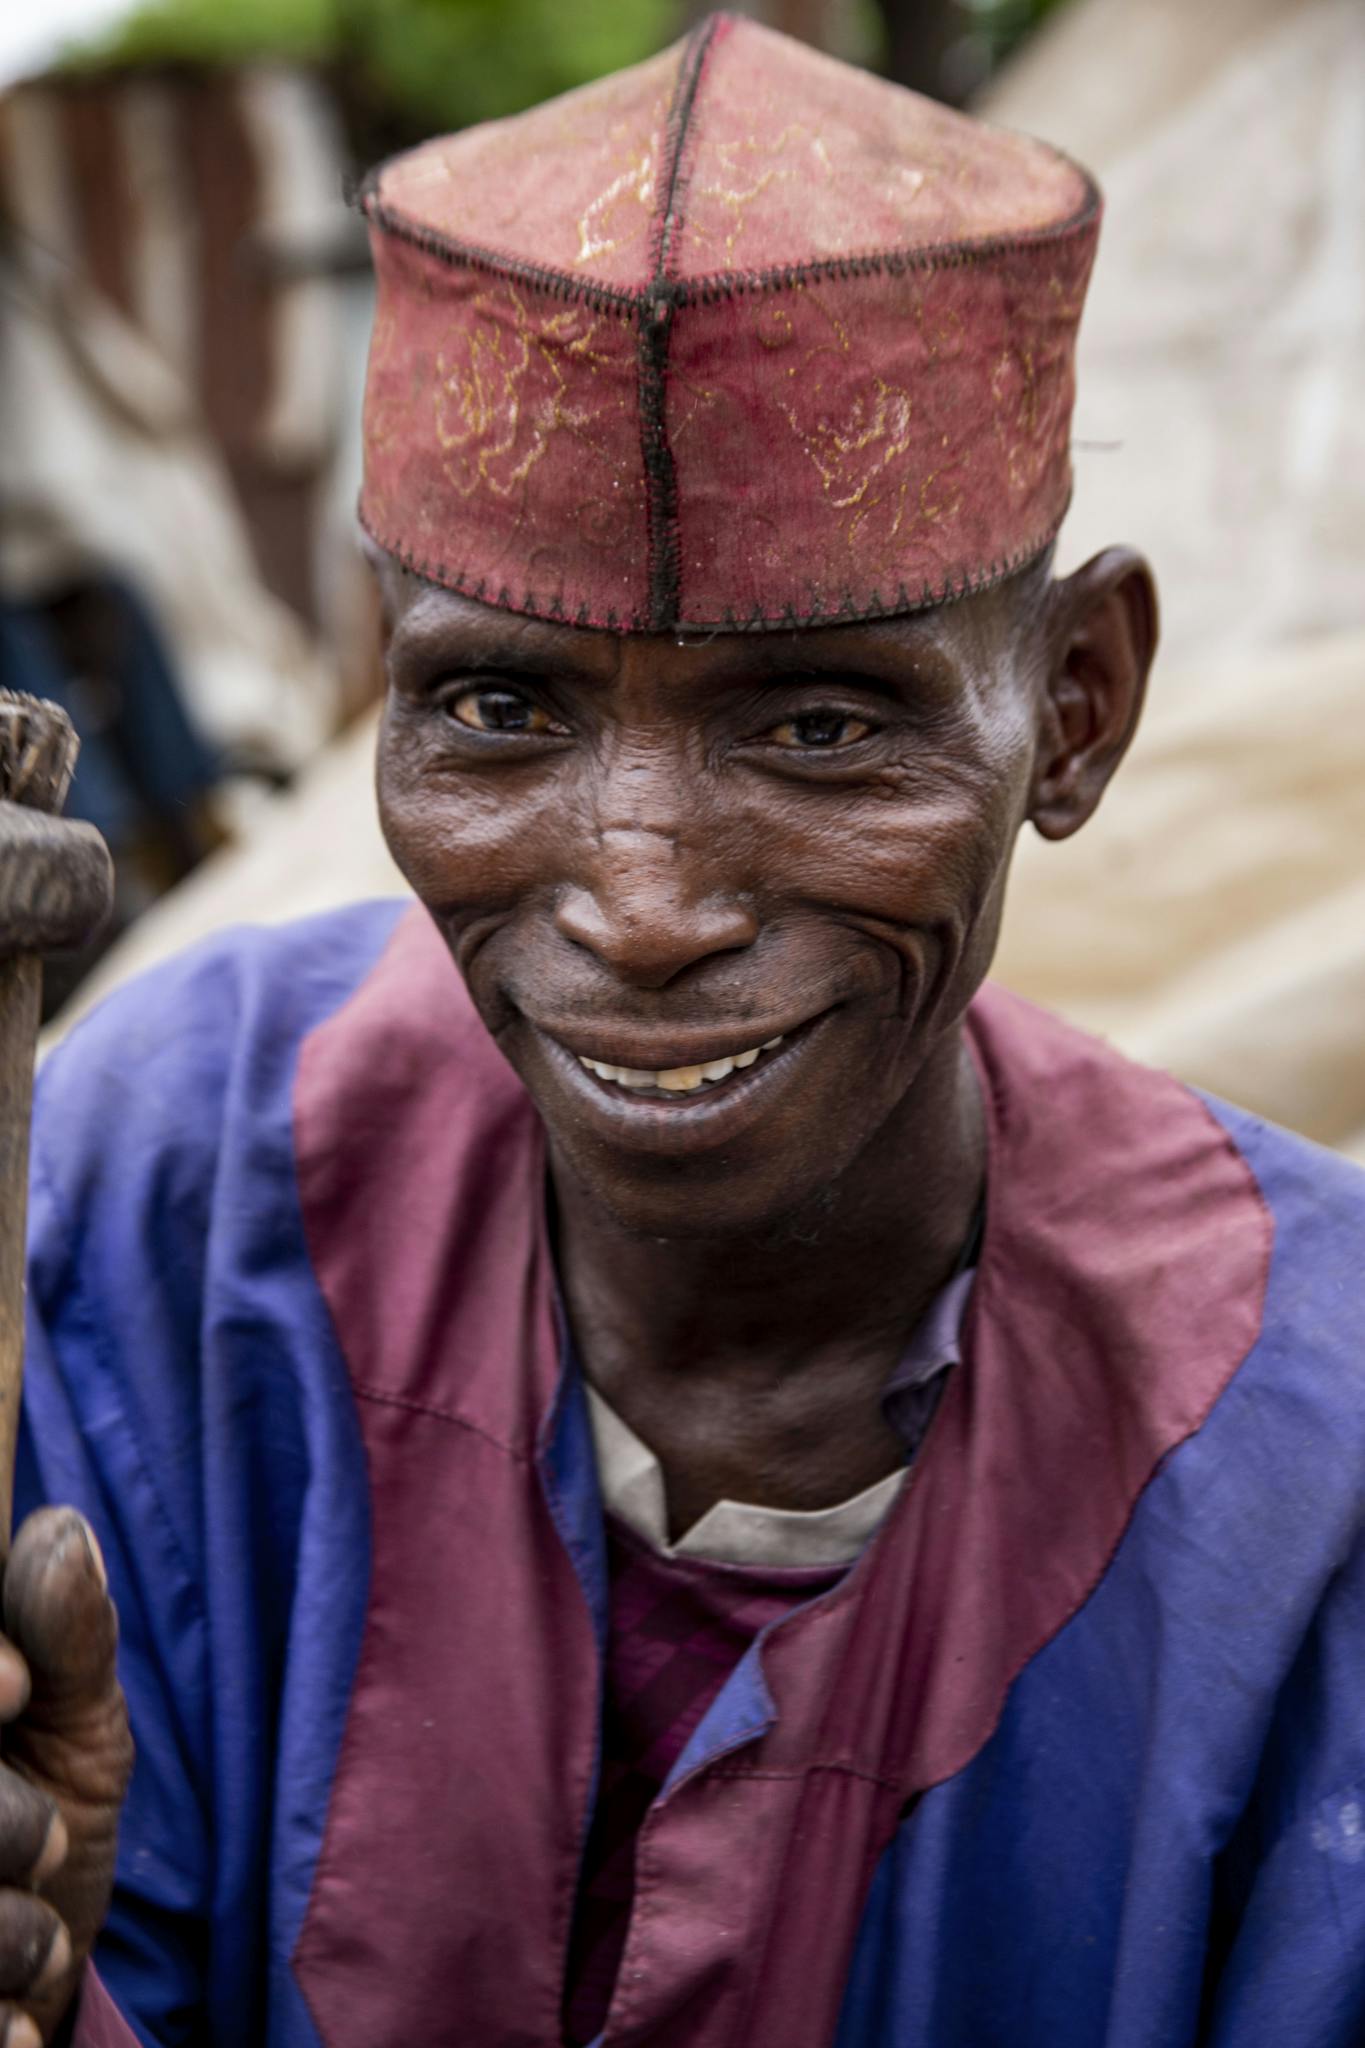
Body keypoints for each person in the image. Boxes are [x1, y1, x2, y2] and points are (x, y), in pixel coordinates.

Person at [0, 15, 1361, 2046]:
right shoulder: (180, 1179)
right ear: (386, 682)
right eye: (499, 711)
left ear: (1072, 704)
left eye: (820, 727)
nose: (639, 908)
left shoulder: (1309, 1455)